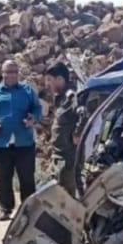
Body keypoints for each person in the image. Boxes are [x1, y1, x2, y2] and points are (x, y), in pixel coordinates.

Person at [0, 59, 43, 220]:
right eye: (8, 72)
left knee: (27, 178)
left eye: (15, 72)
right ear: (2, 73)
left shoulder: (27, 90)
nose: (12, 75)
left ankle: (28, 210)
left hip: (24, 142)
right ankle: (5, 208)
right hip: (1, 143)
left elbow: (37, 108)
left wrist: (33, 118)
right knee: (4, 178)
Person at [44, 62, 81, 197]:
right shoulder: (60, 98)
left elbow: (83, 113)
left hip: (68, 156)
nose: (47, 84)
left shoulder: (72, 97)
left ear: (60, 79)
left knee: (67, 196)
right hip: (59, 154)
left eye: (49, 80)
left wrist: (78, 133)